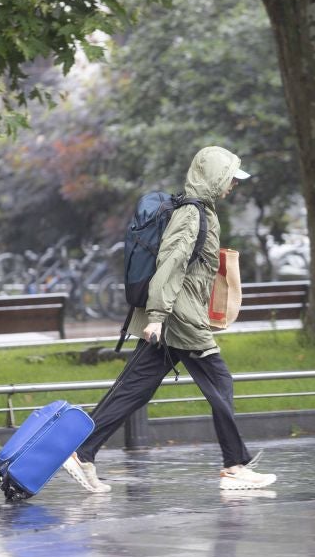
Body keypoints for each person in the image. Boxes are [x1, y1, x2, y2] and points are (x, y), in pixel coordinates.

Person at [62, 146, 277, 493]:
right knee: (220, 382)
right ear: (213, 177)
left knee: (136, 389)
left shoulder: (201, 211)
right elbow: (171, 264)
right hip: (180, 317)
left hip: (177, 315)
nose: (233, 186)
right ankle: (234, 466)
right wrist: (158, 317)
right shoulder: (192, 215)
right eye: (230, 179)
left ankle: (82, 453)